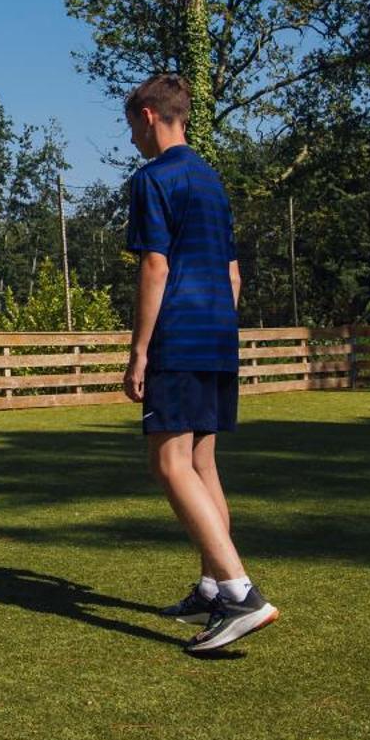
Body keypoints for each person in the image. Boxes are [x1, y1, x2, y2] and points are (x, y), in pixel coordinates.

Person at [120, 74, 278, 653]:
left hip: (180, 335)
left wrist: (140, 350)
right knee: (202, 462)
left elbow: (155, 267)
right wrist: (216, 327)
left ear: (148, 115)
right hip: (218, 334)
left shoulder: (152, 180)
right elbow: (234, 273)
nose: (133, 138)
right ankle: (213, 587)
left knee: (168, 463)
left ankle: (239, 593)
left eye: (132, 126)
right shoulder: (212, 182)